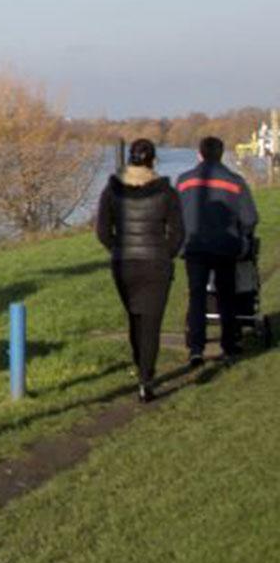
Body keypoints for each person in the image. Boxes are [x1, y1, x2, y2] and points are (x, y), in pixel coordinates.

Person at [95, 138, 185, 400]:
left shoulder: (112, 191)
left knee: (135, 318)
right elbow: (178, 233)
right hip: (156, 265)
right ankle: (147, 378)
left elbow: (102, 231)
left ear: (130, 160)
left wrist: (117, 249)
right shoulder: (167, 193)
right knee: (151, 322)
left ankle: (141, 369)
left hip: (125, 265)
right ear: (153, 160)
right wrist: (165, 254)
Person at [175, 135, 261, 364]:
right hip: (225, 245)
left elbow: (176, 215)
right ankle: (230, 345)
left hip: (194, 246)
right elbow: (250, 218)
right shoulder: (235, 182)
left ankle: (196, 347)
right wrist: (241, 234)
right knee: (226, 295)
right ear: (221, 154)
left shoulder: (184, 181)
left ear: (199, 154)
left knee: (197, 296)